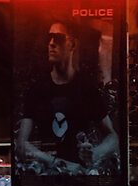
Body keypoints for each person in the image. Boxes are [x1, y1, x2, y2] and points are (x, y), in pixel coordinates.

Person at [14, 19, 120, 176]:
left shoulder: (86, 88)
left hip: (80, 175)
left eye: (58, 38)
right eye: (49, 38)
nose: (51, 44)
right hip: (46, 176)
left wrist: (94, 153)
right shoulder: (37, 89)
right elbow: (22, 144)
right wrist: (57, 163)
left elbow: (113, 137)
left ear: (72, 45)